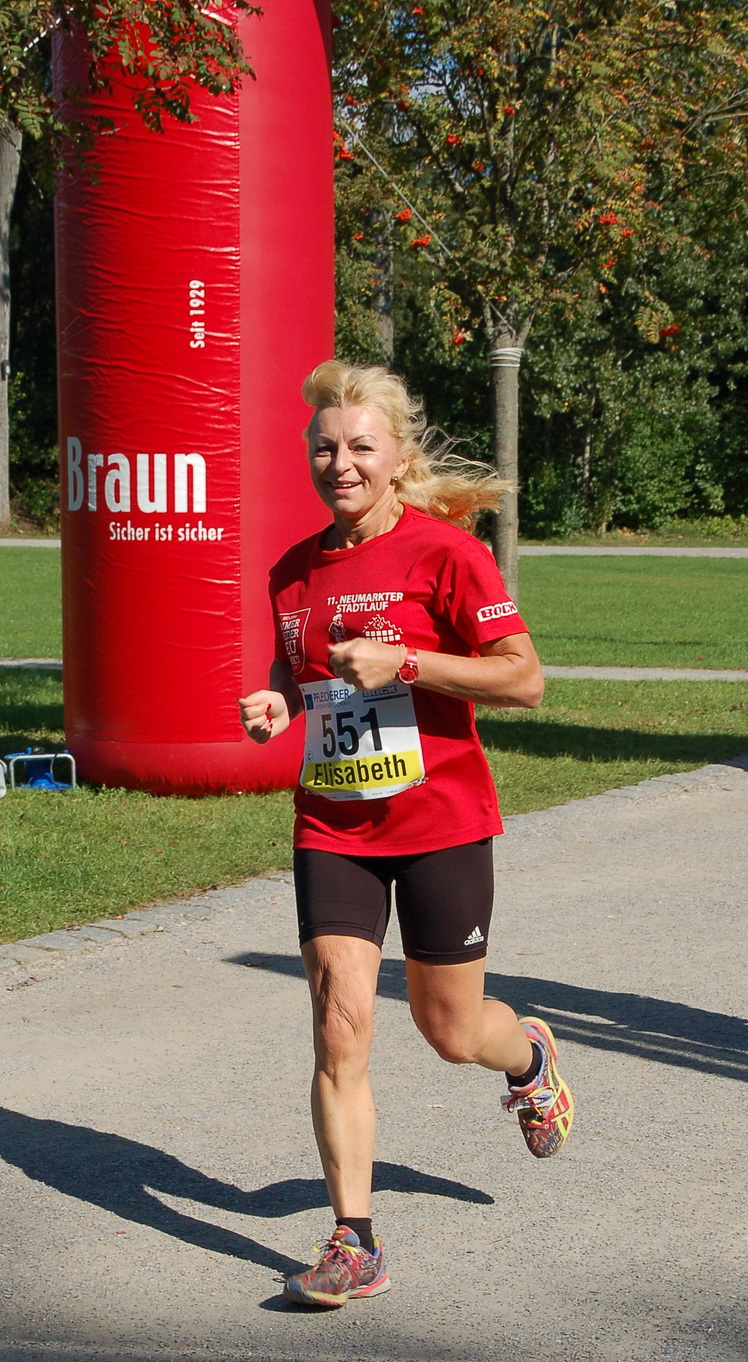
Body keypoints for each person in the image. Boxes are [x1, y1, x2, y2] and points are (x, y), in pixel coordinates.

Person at [238, 360, 573, 1308]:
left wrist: (408, 662)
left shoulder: (447, 556)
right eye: (323, 447)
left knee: (450, 1030)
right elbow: (296, 677)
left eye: (357, 447)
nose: (337, 463)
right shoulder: (293, 571)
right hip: (333, 823)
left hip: (439, 822)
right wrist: (274, 702)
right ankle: (354, 1237)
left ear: (395, 458)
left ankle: (530, 1059)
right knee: (338, 1023)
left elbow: (523, 679)